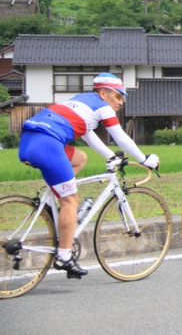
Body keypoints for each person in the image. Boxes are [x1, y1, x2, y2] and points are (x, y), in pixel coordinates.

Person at [18, 73, 160, 279]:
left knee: (80, 158)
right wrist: (144, 159)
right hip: (48, 144)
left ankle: (50, 202)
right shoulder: (102, 107)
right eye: (118, 96)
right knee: (71, 201)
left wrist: (110, 156)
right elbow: (120, 136)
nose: (120, 102)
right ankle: (64, 257)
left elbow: (87, 133)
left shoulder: (78, 101)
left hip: (30, 142)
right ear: (103, 93)